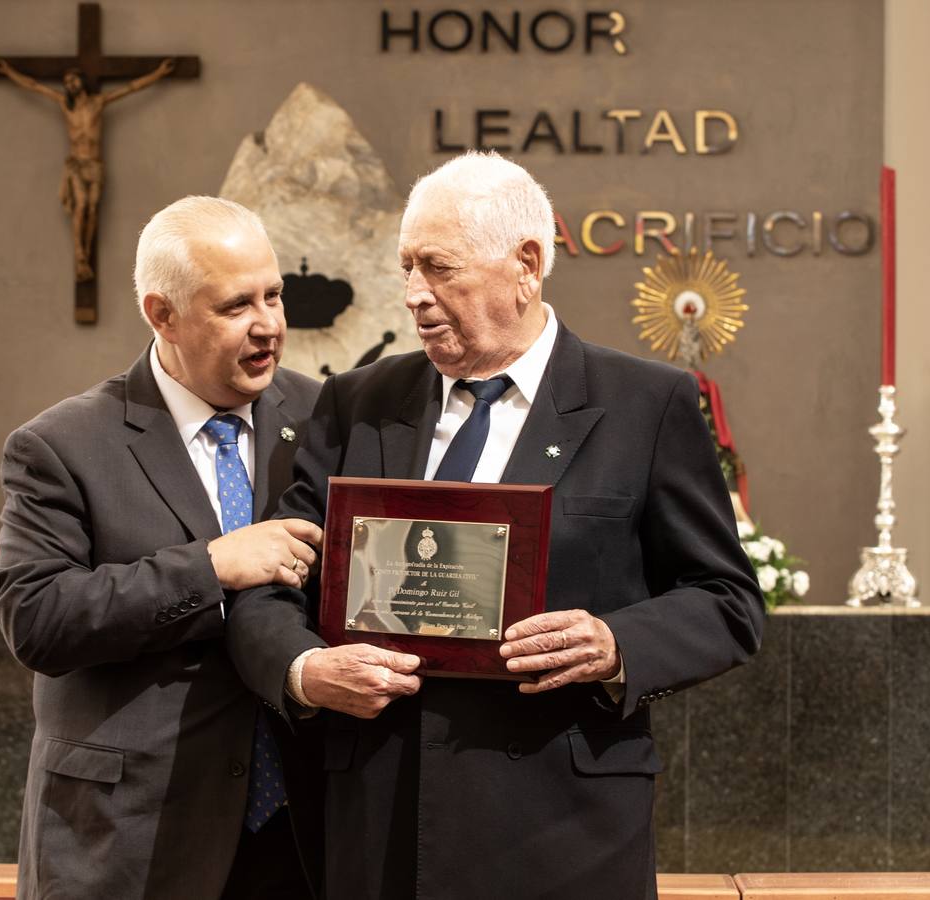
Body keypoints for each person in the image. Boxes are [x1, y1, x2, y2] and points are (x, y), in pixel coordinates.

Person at [227, 152, 765, 899]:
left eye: (439, 268)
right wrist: (303, 671)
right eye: (407, 267)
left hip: (563, 830)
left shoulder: (646, 404)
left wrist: (616, 645)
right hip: (382, 824)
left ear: (527, 265)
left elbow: (727, 601)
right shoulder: (357, 402)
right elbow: (270, 581)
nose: (413, 294)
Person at [0, 197, 325, 899]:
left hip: (302, 839)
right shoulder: (62, 445)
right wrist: (211, 567)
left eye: (273, 296)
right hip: (133, 840)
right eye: (236, 305)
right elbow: (36, 618)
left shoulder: (325, 418)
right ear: (162, 314)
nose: (268, 324)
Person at [0, 58, 176, 281]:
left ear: (82, 81)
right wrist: (9, 71)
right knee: (81, 206)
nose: (69, 84)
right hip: (77, 165)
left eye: (73, 79)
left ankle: (85, 254)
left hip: (95, 165)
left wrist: (159, 73)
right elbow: (34, 86)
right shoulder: (64, 104)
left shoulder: (98, 102)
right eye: (66, 82)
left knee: (92, 208)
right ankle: (80, 255)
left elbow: (131, 88)